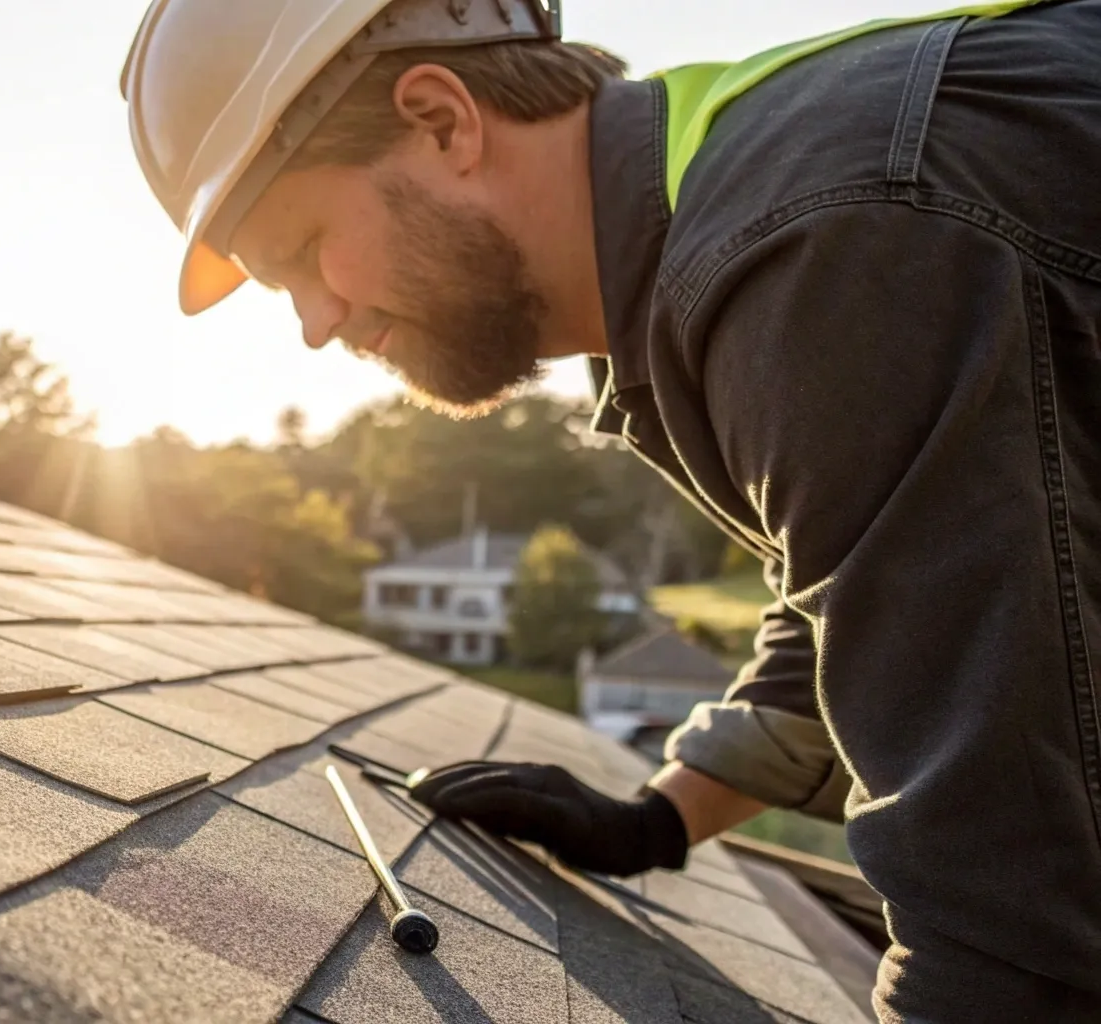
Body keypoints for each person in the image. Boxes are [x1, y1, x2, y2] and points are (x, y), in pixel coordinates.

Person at [120, 0, 1101, 1017]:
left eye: (304, 252)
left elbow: (1017, 923)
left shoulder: (817, 245)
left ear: (443, 120)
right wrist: (654, 821)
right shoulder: (728, 219)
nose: (316, 327)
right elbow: (874, 603)